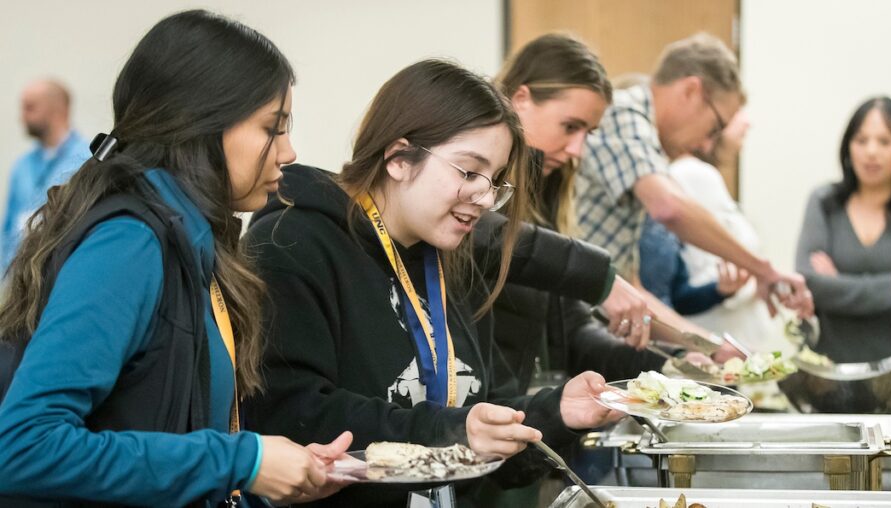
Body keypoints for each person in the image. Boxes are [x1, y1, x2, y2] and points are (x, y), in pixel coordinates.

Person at [0, 10, 352, 506]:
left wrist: (265, 480)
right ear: (202, 125)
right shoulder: (130, 243)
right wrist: (240, 460)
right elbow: (21, 448)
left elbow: (162, 440)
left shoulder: (192, 237)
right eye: (273, 128)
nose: (289, 151)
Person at [243, 59, 621, 507]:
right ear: (399, 158)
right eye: (468, 171)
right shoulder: (293, 243)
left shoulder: (446, 259)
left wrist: (557, 412)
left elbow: (479, 420)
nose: (484, 197)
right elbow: (292, 416)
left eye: (495, 180)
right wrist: (450, 431)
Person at [577, 33, 813, 318]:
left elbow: (634, 288)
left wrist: (707, 347)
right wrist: (763, 269)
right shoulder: (624, 113)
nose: (706, 145)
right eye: (714, 128)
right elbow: (669, 208)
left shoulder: (648, 147)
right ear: (690, 90)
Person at [490, 33, 669, 396]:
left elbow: (573, 331)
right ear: (520, 100)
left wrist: (668, 365)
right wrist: (600, 278)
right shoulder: (476, 206)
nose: (577, 149)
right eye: (570, 127)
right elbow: (493, 236)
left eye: (587, 133)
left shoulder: (549, 192)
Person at [795, 97, 891, 383]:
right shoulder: (824, 203)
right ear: (847, 147)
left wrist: (839, 285)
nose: (871, 152)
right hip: (831, 369)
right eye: (861, 140)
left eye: (884, 141)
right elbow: (809, 284)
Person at [641, 109, 795, 355]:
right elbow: (668, 295)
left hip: (718, 343)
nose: (747, 121)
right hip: (707, 343)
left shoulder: (703, 177)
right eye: (733, 112)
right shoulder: (691, 174)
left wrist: (725, 289)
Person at [2, 79, 91, 270]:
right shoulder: (22, 166)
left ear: (56, 110)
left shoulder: (87, 161)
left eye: (30, 108)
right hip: (19, 281)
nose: (22, 117)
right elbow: (8, 230)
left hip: (59, 274)